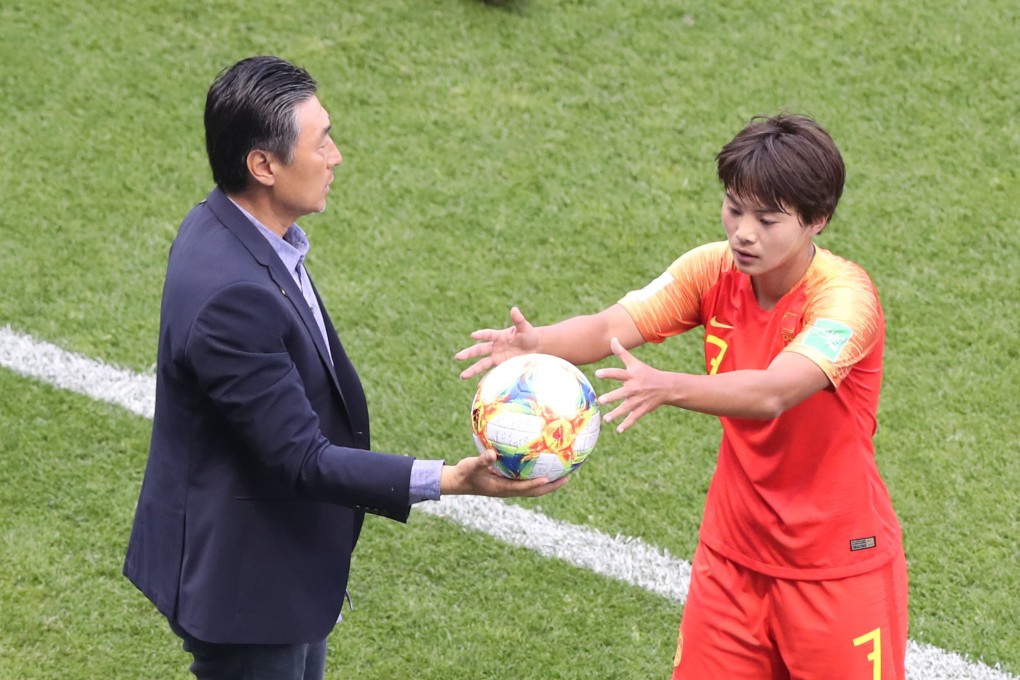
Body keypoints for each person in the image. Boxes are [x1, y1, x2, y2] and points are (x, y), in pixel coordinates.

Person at [123, 55, 567, 680]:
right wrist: (452, 480)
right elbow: (301, 458)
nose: (336, 156)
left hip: (282, 559)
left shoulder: (234, 228)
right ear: (264, 165)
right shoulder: (233, 297)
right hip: (245, 587)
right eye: (321, 141)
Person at [457, 114, 907, 679]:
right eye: (734, 208)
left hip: (837, 569)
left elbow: (774, 392)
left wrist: (667, 387)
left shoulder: (846, 301)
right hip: (731, 557)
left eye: (767, 219)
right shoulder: (712, 269)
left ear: (817, 220)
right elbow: (607, 328)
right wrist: (538, 342)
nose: (743, 232)